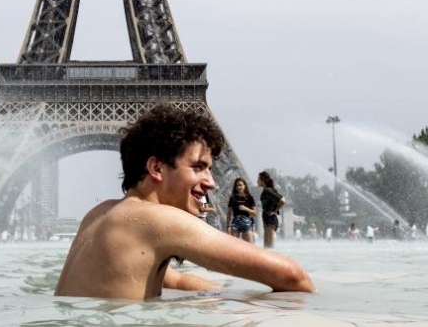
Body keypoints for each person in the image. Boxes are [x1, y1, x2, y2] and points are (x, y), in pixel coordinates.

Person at [54, 105, 314, 300]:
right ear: (156, 168)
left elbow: (173, 280)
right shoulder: (156, 219)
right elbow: (293, 276)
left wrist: (219, 295)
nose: (211, 182)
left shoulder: (100, 214)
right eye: (198, 167)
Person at [258, 171, 285, 248]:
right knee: (267, 246)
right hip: (268, 218)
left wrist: (275, 211)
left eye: (258, 179)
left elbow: (282, 200)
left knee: (269, 246)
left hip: (270, 219)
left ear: (263, 180)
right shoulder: (267, 190)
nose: (257, 181)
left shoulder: (268, 190)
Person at [226, 177, 257, 243]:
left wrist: (246, 208)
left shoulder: (249, 198)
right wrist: (228, 226)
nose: (239, 187)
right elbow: (229, 213)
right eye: (237, 186)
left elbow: (254, 213)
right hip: (235, 222)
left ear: (244, 186)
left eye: (240, 185)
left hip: (246, 222)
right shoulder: (233, 198)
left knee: (249, 245)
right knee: (234, 245)